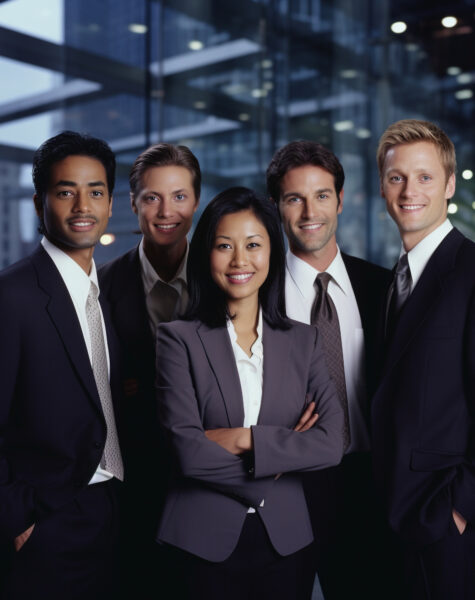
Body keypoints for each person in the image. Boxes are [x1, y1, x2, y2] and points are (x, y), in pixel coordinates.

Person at [155, 187, 344, 600]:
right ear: (207, 255)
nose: (240, 260)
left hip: (286, 544)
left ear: (272, 252)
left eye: (253, 245)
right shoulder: (177, 340)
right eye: (224, 246)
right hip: (199, 544)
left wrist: (245, 439)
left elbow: (331, 443)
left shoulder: (304, 341)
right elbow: (187, 452)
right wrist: (282, 456)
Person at [266, 140, 392, 599]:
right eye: (293, 198)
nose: (308, 211)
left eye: (321, 195)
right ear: (277, 206)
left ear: (340, 200)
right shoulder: (256, 298)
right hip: (288, 486)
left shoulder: (383, 287)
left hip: (371, 484)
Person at [0, 131, 122, 599]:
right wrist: (16, 516)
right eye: (65, 191)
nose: (82, 206)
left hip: (112, 510)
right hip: (47, 521)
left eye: (95, 191)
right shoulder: (12, 295)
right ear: (39, 204)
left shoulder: (105, 293)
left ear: (111, 203)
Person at [372, 119, 475, 599]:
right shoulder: (390, 282)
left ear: (450, 184)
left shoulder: (471, 271)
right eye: (397, 178)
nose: (410, 190)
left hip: (445, 524)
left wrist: (459, 507)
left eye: (425, 177)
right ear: (383, 186)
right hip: (389, 520)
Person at [98, 143, 200, 597]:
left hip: (212, 488)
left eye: (179, 196)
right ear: (134, 203)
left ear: (196, 201)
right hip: (132, 494)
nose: (166, 211)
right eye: (152, 197)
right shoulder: (99, 289)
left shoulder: (229, 273)